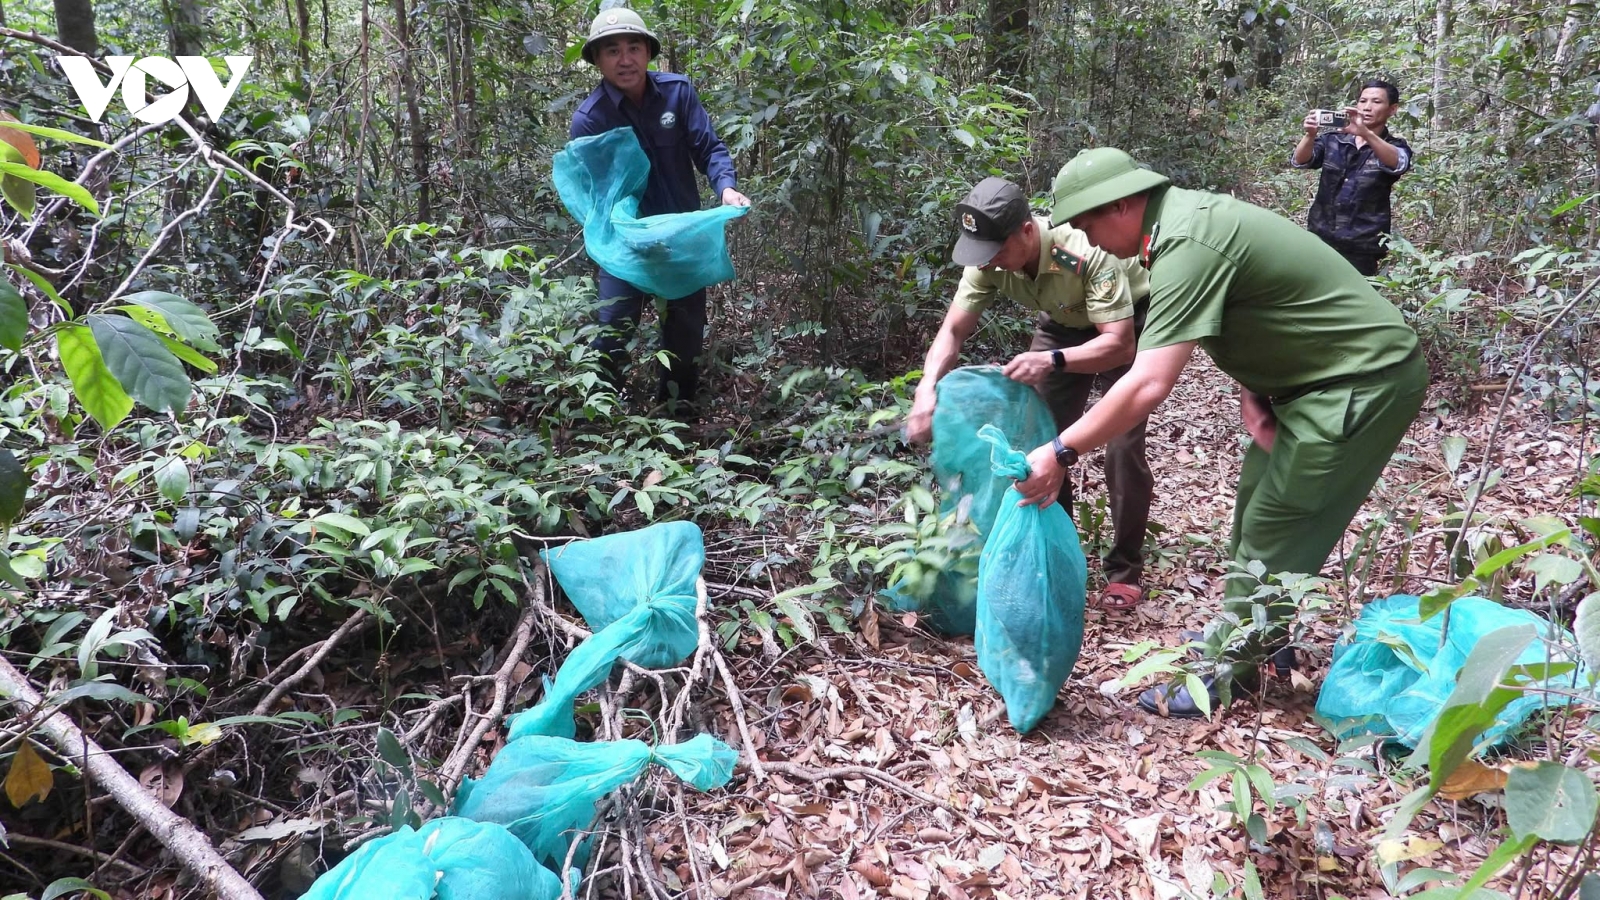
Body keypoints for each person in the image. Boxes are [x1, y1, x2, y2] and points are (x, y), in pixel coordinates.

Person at [1022, 148, 1428, 717]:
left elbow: (1147, 382)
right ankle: (1259, 635)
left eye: (1088, 225)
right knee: (1253, 512)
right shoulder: (1178, 226)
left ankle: (1230, 667)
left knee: (1278, 523)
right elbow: (1258, 307)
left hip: (1360, 381)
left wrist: (1061, 450)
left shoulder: (1187, 240)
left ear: (1120, 206)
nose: (1089, 241)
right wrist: (1256, 388)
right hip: (1306, 386)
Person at [906, 177, 1155, 610]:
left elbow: (1119, 345)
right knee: (1039, 441)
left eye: (997, 251)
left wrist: (1051, 360)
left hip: (1125, 324)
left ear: (1026, 231)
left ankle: (1124, 569)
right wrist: (926, 390)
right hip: (1063, 322)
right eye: (983, 253)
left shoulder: (1083, 250)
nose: (990, 262)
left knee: (1122, 444)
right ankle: (1054, 554)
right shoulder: (987, 259)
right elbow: (953, 330)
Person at [570, 6, 751, 416]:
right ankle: (600, 420)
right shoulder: (590, 119)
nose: (625, 59)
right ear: (597, 59)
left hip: (681, 240)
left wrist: (725, 188)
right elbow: (596, 194)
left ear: (648, 53)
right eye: (612, 50)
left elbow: (709, 148)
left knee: (684, 334)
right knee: (613, 330)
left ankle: (677, 414)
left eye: (634, 48)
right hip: (625, 245)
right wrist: (625, 232)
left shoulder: (677, 93)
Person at [1291, 79, 1414, 276]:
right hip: (1320, 237)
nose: (1367, 107)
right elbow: (1300, 161)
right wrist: (1310, 135)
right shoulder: (1334, 139)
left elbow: (1399, 163)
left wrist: (1366, 133)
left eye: (1376, 102)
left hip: (1362, 247)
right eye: (1363, 101)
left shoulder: (1395, 146)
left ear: (1392, 109)